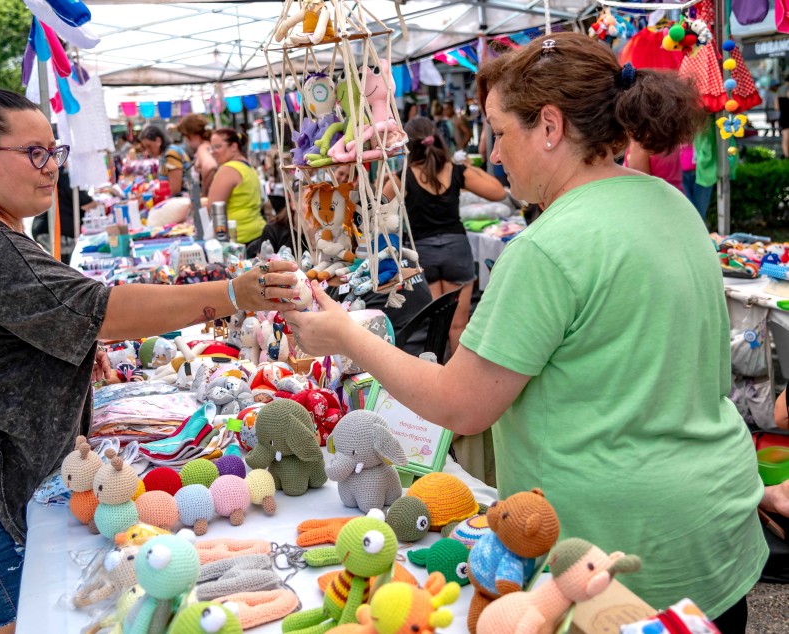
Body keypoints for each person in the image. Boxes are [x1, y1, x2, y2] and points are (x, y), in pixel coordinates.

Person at [285, 33, 766, 630]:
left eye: (498, 130)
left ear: (549, 126)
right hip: (712, 528)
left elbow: (462, 406)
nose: (491, 153)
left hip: (612, 561)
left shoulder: (548, 248)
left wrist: (346, 335)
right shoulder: (671, 205)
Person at [0, 88, 299, 634]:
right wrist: (235, 294)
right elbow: (104, 310)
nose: (52, 169)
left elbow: (26, 329)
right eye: (34, 153)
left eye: (55, 151)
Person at [383, 116, 505, 356]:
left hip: (421, 256)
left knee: (430, 327)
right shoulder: (457, 171)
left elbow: (376, 211)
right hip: (457, 251)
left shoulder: (401, 178)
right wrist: (467, 168)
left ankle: (432, 377)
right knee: (459, 326)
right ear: (437, 139)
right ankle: (461, 381)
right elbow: (499, 192)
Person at [207, 128, 265, 246]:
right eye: (211, 148)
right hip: (257, 232)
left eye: (217, 147)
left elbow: (213, 207)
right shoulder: (247, 167)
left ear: (233, 147)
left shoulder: (228, 169)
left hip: (238, 239)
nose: (213, 152)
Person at [30, 164, 94, 264]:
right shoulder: (64, 175)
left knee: (64, 264)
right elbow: (86, 203)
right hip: (53, 230)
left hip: (47, 227)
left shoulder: (60, 174)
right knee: (66, 265)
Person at [139, 124, 191, 197]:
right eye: (145, 148)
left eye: (149, 146)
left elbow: (174, 189)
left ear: (158, 141)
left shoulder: (171, 154)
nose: (147, 151)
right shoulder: (164, 156)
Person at [177, 114, 217, 194]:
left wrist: (204, 193)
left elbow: (210, 166)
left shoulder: (203, 148)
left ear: (191, 135)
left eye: (187, 137)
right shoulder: (210, 145)